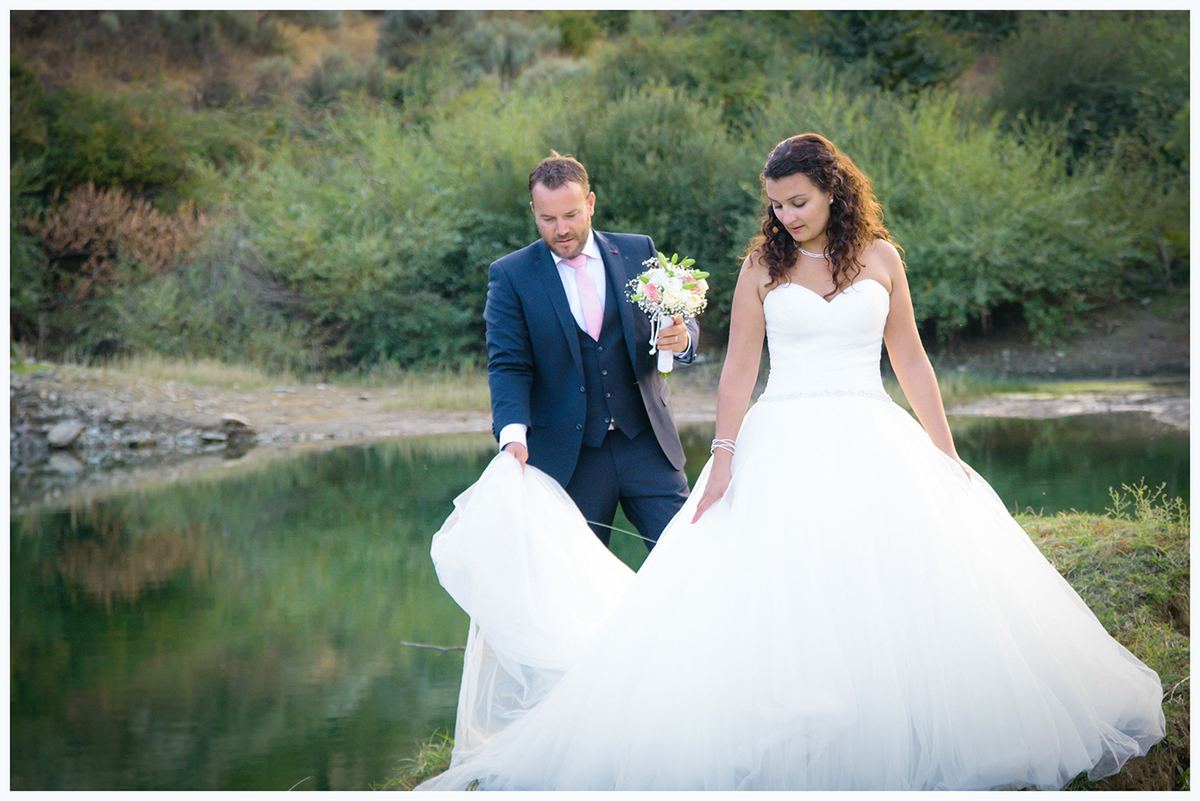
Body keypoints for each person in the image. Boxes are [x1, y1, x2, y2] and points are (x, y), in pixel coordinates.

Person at [420, 134, 1165, 790]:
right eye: (776, 205)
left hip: (874, 434)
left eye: (799, 202)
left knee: (892, 582)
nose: (787, 217)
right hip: (782, 436)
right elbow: (739, 369)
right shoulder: (760, 266)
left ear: (835, 189)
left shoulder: (882, 257)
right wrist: (725, 457)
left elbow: (908, 355)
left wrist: (945, 449)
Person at [484, 152, 699, 549]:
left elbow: (676, 317)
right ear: (533, 211)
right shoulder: (511, 275)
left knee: (689, 559)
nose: (561, 229)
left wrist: (683, 340)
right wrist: (513, 436)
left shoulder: (638, 251)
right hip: (570, 458)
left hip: (647, 445)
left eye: (571, 215)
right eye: (548, 219)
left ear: (591, 203)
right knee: (578, 589)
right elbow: (508, 365)